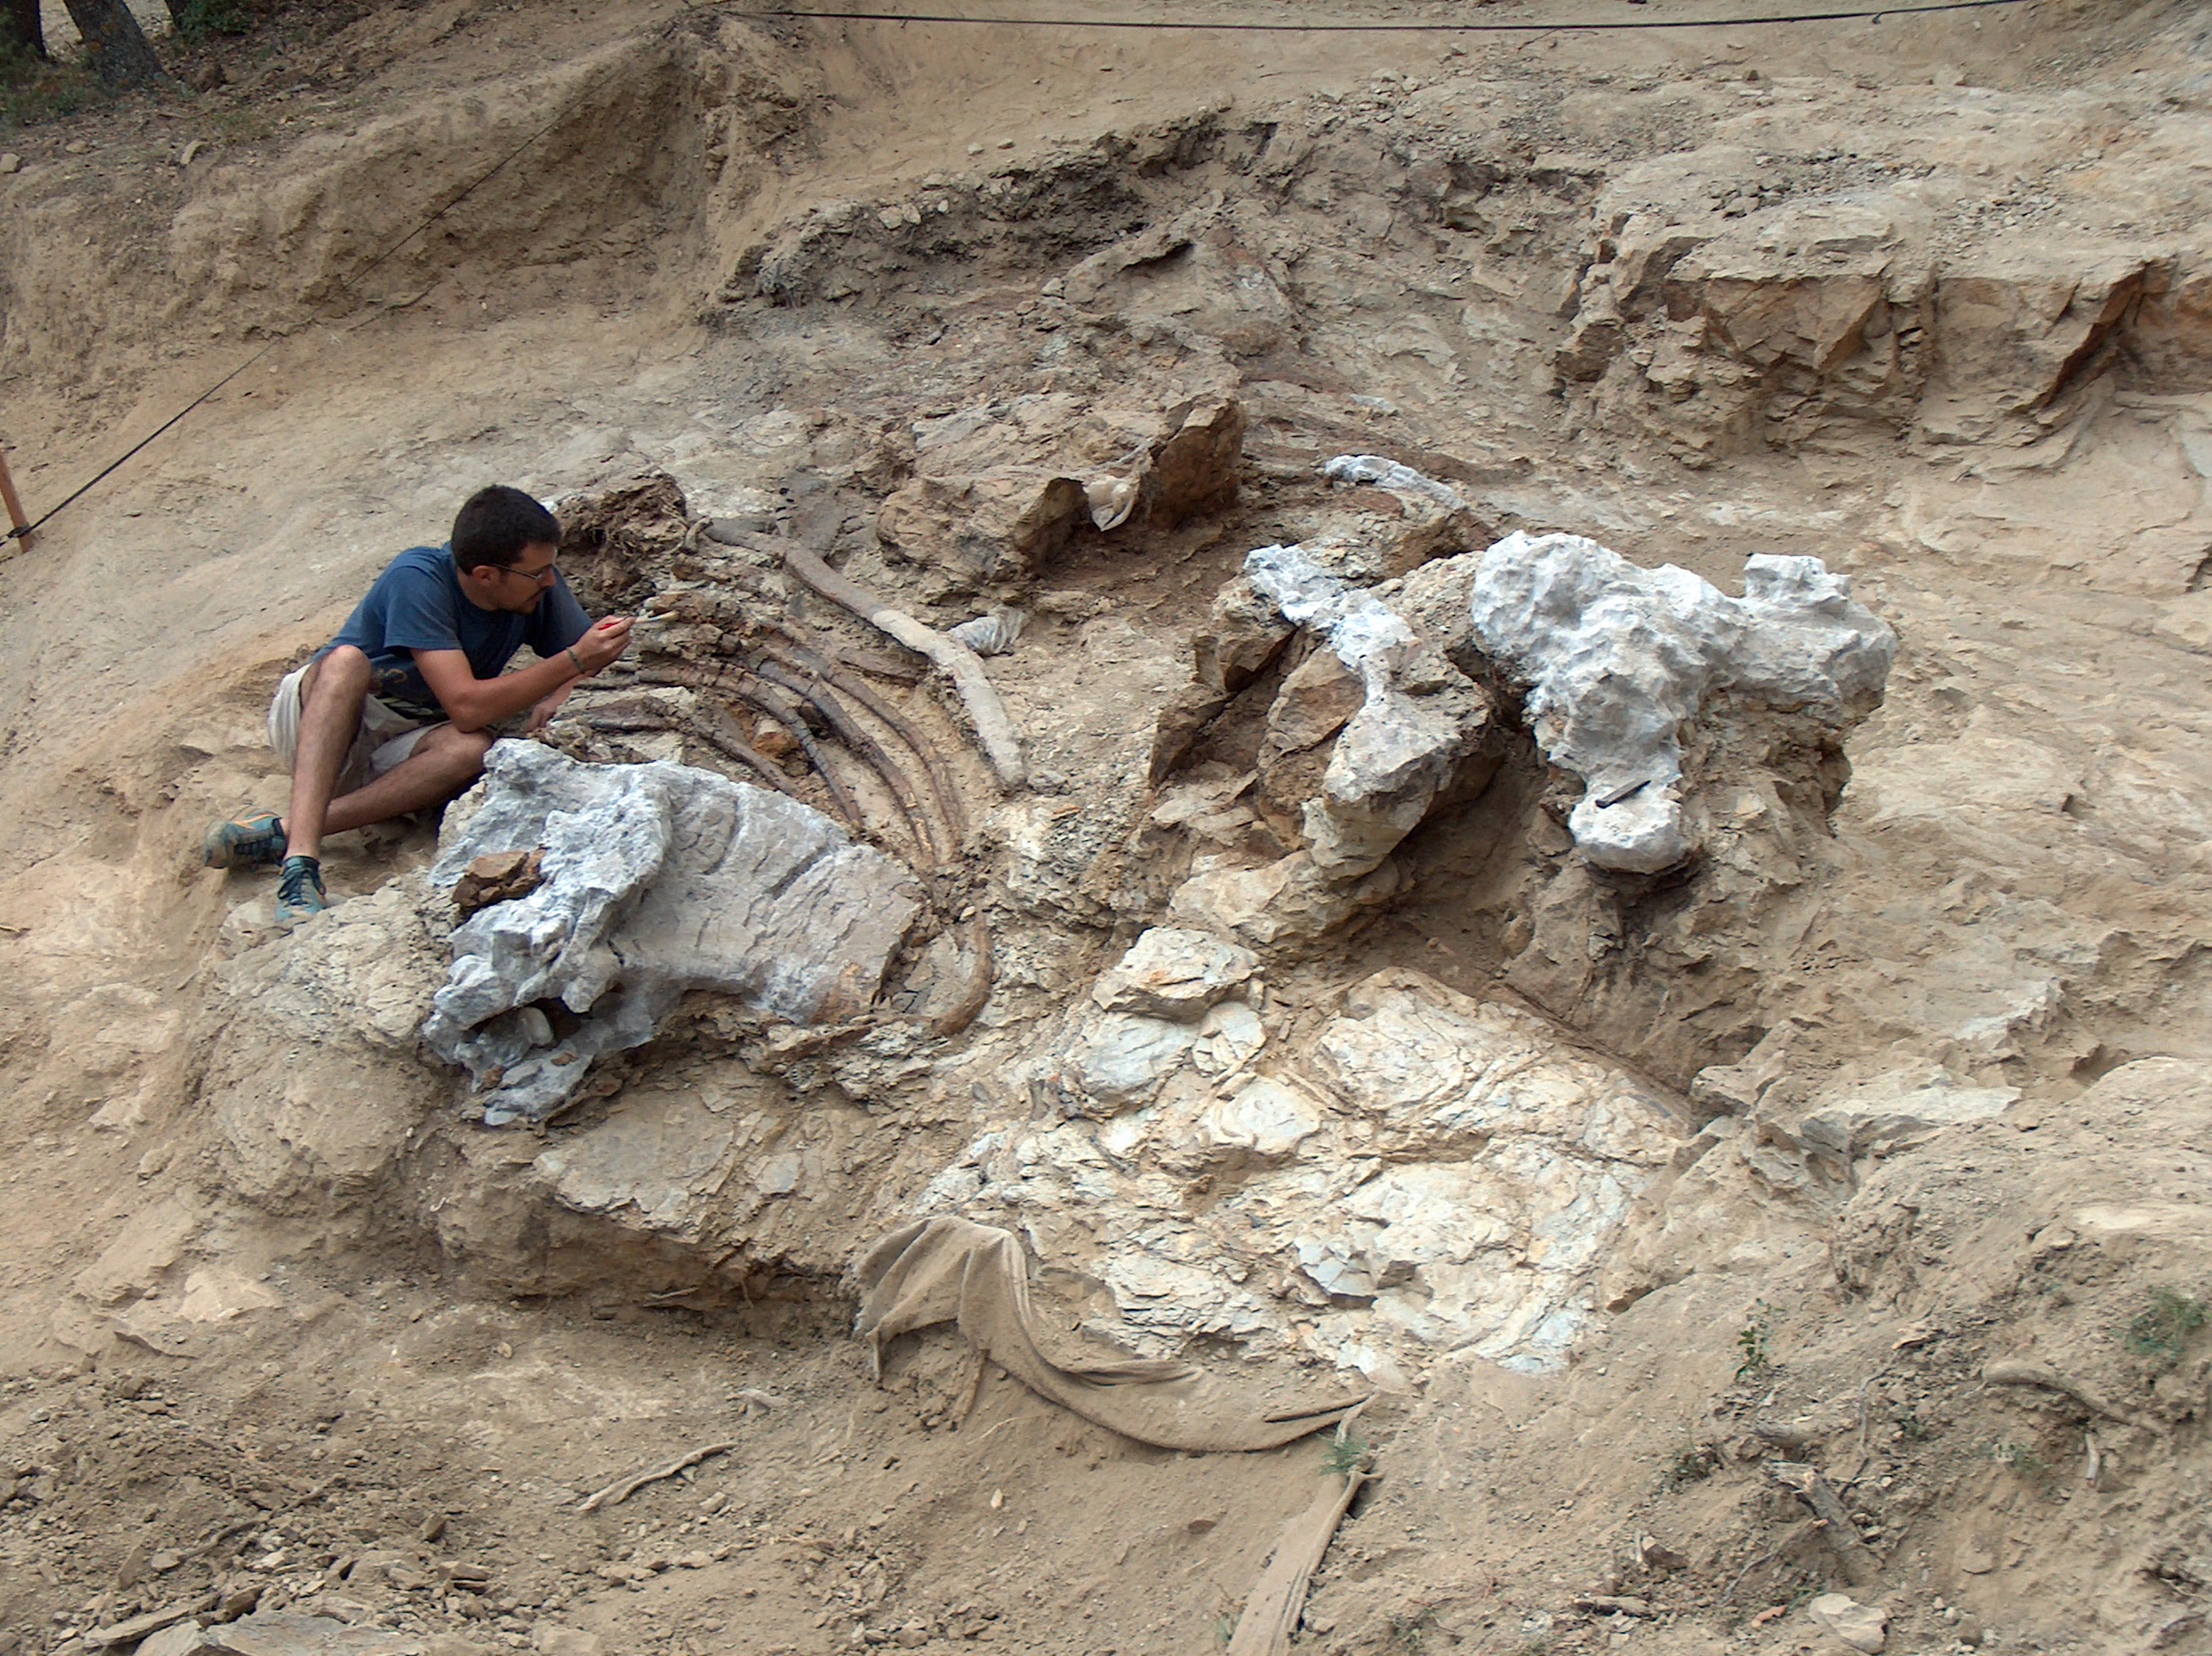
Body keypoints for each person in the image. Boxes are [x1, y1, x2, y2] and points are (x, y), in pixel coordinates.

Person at [204, 485, 634, 925]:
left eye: (550, 569)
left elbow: (593, 650)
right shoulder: (418, 577)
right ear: (486, 575)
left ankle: (284, 830)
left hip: (409, 738)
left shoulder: (534, 588)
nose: (549, 581)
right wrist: (574, 661)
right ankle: (300, 863)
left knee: (472, 748)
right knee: (347, 663)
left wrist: (570, 679)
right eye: (537, 573)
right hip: (328, 718)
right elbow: (467, 705)